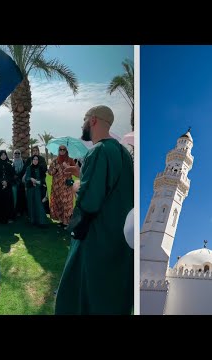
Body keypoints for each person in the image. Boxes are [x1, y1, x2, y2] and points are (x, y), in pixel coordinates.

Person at [54, 105, 134, 315]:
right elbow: (111, 188)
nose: (83, 124)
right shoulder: (123, 153)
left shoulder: (98, 151)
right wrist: (83, 173)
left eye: (84, 119)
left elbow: (89, 200)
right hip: (118, 240)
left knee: (83, 296)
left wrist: (74, 184)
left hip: (95, 239)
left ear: (93, 121)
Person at [48, 145, 75, 226]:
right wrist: (55, 169)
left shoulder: (70, 160)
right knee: (59, 203)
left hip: (67, 186)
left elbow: (75, 172)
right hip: (57, 187)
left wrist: (68, 167)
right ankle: (61, 220)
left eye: (64, 150)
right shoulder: (55, 161)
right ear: (58, 151)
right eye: (60, 149)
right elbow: (49, 172)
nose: (62, 151)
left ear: (66, 151)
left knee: (67, 204)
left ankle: (67, 222)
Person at [25, 155, 49, 227]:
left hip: (38, 189)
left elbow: (44, 178)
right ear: (32, 160)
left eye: (37, 159)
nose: (35, 161)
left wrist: (38, 182)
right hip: (31, 189)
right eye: (34, 159)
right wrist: (31, 179)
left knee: (39, 204)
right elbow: (26, 178)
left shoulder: (40, 168)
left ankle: (42, 221)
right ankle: (33, 220)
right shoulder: (29, 168)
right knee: (31, 204)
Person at [12, 149, 27, 217]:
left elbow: (24, 170)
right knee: (15, 196)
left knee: (21, 196)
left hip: (21, 181)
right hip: (15, 182)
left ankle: (22, 211)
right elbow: (11, 171)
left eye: (18, 153)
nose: (17, 154)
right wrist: (15, 176)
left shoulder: (23, 161)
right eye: (16, 153)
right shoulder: (12, 162)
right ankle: (16, 211)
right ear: (14, 154)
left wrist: (19, 176)